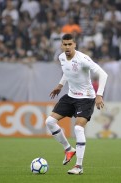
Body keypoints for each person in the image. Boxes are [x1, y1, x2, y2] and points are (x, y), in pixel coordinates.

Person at [45, 34, 108, 175]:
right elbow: (68, 72)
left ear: (74, 45)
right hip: (71, 96)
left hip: (86, 98)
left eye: (69, 44)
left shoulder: (83, 59)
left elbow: (103, 74)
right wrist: (60, 85)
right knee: (49, 122)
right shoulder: (61, 57)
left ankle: (79, 166)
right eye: (64, 44)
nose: (67, 47)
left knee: (78, 129)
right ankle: (68, 149)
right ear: (62, 45)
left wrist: (99, 94)